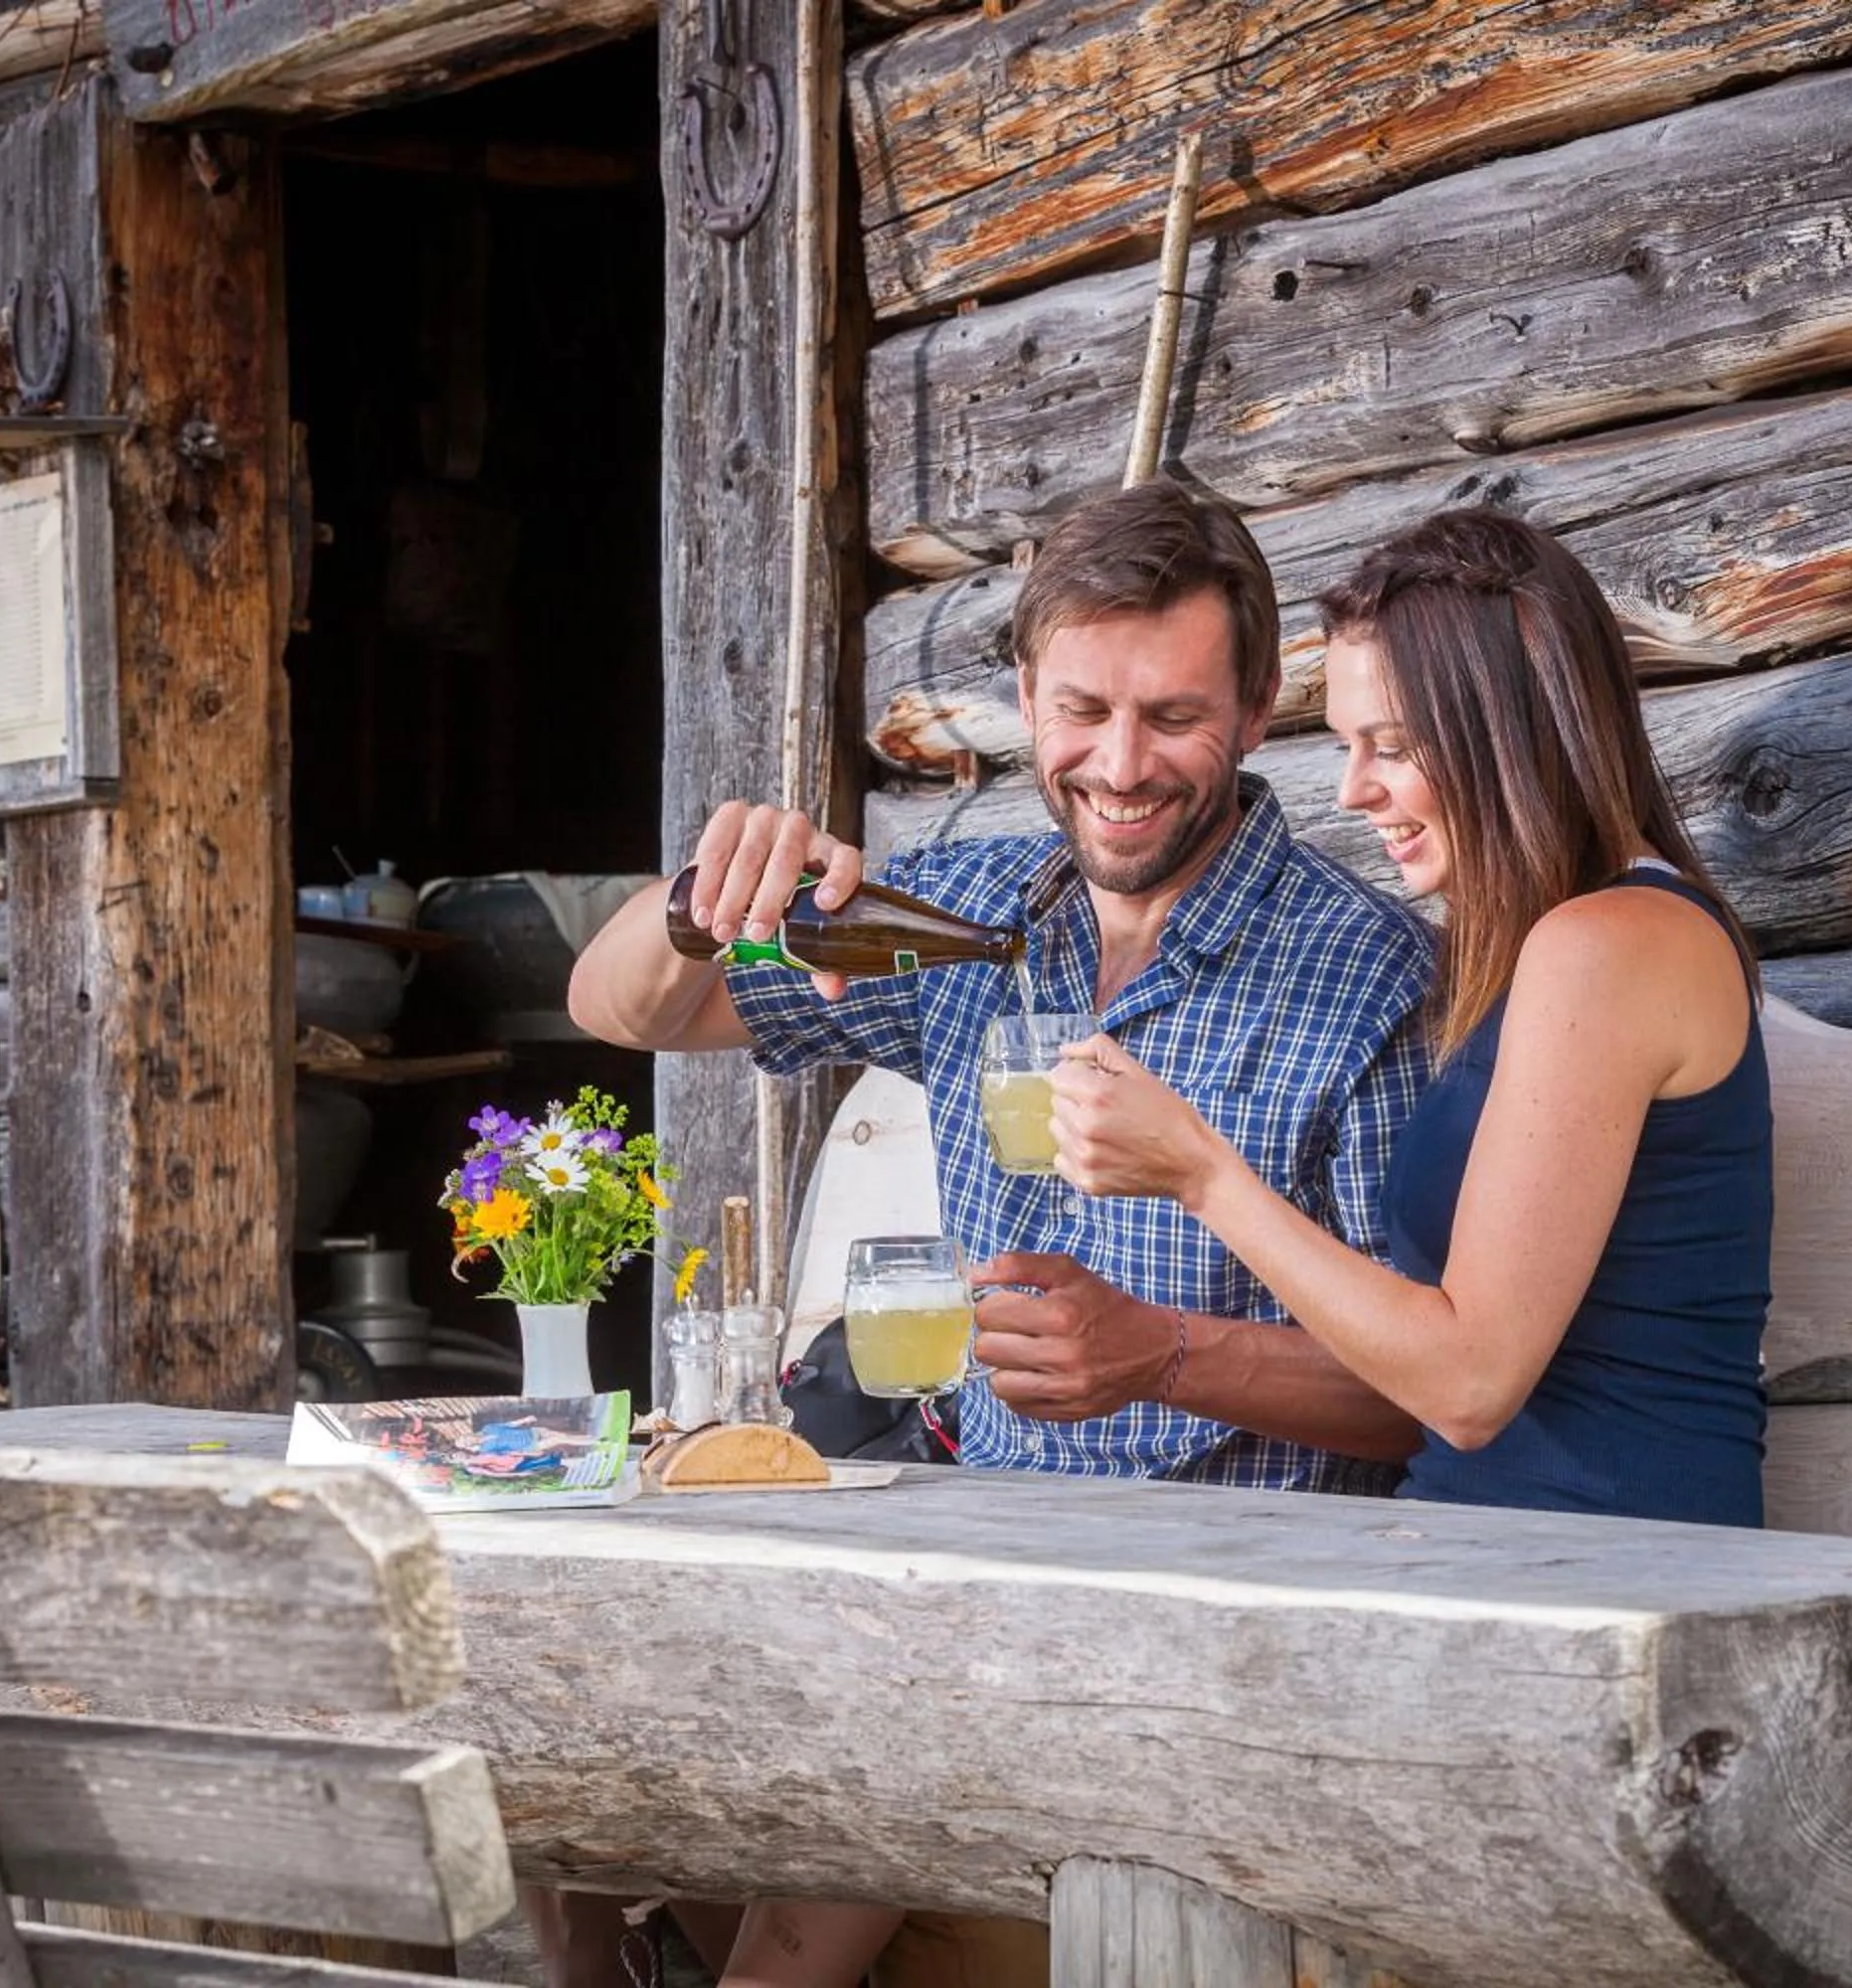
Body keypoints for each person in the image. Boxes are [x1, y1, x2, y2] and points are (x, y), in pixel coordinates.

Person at [556, 478, 1439, 1987]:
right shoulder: (963, 912)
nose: (1121, 764)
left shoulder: (1364, 978)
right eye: (1082, 711)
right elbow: (622, 1007)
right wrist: (704, 901)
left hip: (1224, 1624)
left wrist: (1161, 1356)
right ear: (1025, 700)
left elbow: (1424, 1387)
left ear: (1257, 708)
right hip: (965, 1571)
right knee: (581, 1785)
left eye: (1174, 716)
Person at [1045, 508, 1772, 1529]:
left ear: (1507, 730)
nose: (1354, 790)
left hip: (1606, 1560)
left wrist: (1201, 1173)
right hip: (1482, 1542)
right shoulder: (1530, 950)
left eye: (1390, 745)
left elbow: (1469, 1382)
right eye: (1349, 744)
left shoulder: (1609, 945)